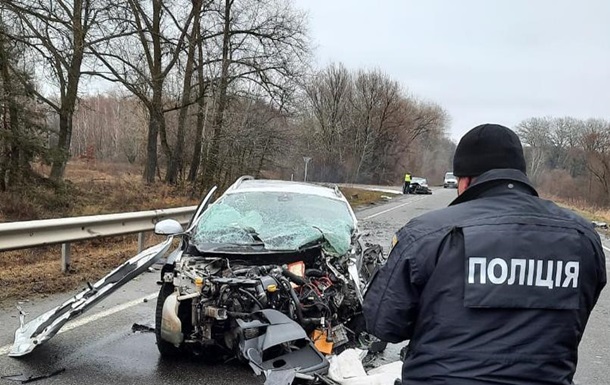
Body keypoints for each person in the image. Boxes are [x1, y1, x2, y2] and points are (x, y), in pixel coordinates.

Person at [363, 123, 606, 385]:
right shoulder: (583, 237)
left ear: (464, 181)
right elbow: (577, 316)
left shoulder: (427, 234)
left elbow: (383, 324)